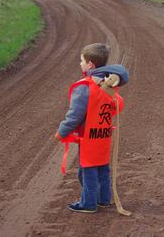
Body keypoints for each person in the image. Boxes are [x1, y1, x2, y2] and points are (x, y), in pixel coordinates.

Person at [55, 43, 129, 213]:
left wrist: (61, 132)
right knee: (102, 167)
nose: (80, 64)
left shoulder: (84, 87)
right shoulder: (107, 84)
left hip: (89, 137)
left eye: (81, 61)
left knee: (87, 170)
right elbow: (118, 105)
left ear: (90, 65)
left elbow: (74, 115)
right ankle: (104, 199)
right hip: (103, 134)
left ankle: (88, 203)